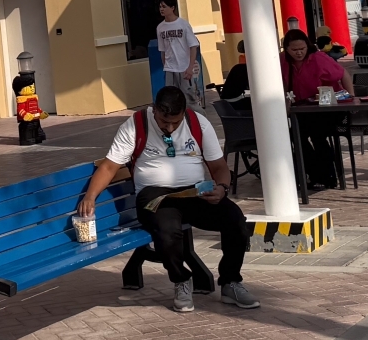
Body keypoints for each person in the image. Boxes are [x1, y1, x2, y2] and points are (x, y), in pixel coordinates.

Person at [74, 86, 257, 313]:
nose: (169, 128)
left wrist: (222, 188)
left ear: (184, 113)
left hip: (194, 192)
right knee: (167, 230)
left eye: (175, 123)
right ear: (154, 109)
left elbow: (219, 166)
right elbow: (110, 166)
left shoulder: (198, 123)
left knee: (235, 219)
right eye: (163, 122)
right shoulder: (136, 124)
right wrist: (90, 196)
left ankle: (231, 282)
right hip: (155, 196)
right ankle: (181, 280)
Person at [154, 0, 204, 109]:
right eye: (160, 7)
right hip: (170, 68)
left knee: (189, 99)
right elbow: (162, 50)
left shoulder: (183, 24)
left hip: (184, 68)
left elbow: (193, 46)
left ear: (172, 8)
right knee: (171, 99)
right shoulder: (160, 27)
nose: (161, 9)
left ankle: (198, 117)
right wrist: (165, 66)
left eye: (164, 6)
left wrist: (190, 68)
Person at [282, 28, 351, 102]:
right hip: (298, 104)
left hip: (327, 103)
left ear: (307, 46)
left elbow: (343, 74)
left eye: (302, 49)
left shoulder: (318, 58)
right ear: (286, 49)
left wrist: (351, 97)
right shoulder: (280, 60)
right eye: (294, 50)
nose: (299, 53)